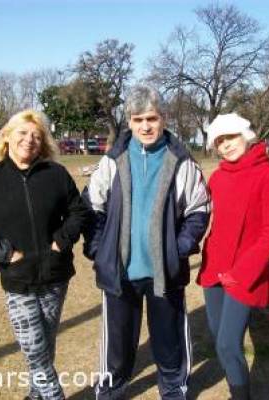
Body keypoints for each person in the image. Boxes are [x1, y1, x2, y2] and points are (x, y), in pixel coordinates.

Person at [82, 84, 210, 399]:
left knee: (169, 341)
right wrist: (100, 250)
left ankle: (173, 389)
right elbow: (91, 206)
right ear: (129, 121)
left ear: (163, 118)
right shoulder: (113, 160)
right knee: (117, 343)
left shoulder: (181, 161)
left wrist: (176, 250)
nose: (145, 126)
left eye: (151, 118)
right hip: (120, 272)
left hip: (163, 271)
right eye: (138, 119)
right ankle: (111, 390)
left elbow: (199, 211)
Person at [0, 109, 89, 400]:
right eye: (22, 133)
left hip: (55, 276)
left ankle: (35, 396)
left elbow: (78, 212)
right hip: (17, 279)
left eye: (36, 136)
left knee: (44, 347)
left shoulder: (55, 174)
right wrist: (7, 254)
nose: (29, 140)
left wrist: (61, 243)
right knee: (35, 350)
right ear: (7, 137)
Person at [197, 113, 269, 400]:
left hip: (244, 273)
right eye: (219, 141)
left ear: (245, 135)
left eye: (231, 137)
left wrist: (241, 272)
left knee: (227, 344)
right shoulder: (218, 176)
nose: (226, 145)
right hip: (213, 269)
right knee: (218, 337)